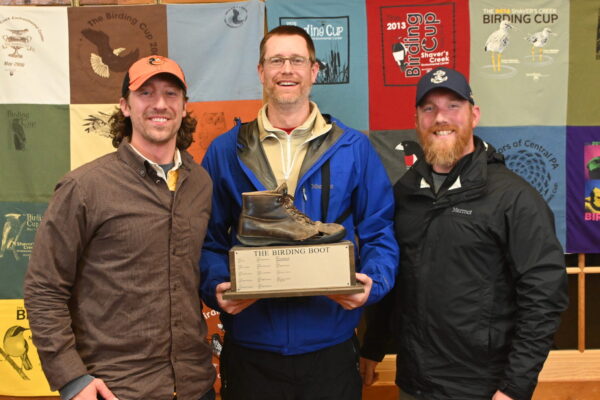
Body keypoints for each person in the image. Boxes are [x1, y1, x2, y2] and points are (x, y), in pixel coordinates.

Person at [200, 25, 399, 400]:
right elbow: (206, 238)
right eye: (276, 60)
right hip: (251, 348)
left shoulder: (353, 147)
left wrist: (374, 282)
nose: (286, 69)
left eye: (296, 60)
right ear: (261, 72)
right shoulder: (226, 150)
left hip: (331, 347)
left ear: (314, 71)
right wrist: (215, 287)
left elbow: (379, 230)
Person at [360, 67, 568, 400]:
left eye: (453, 106)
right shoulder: (405, 193)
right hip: (413, 384)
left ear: (474, 114)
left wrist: (515, 386)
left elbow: (544, 296)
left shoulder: (513, 198)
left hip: (482, 389)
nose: (441, 117)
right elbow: (396, 277)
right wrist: (374, 346)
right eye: (429, 108)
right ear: (417, 120)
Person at [24, 55, 216, 400]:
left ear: (185, 107)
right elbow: (44, 289)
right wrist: (71, 378)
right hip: (117, 390)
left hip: (194, 386)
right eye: (146, 93)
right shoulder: (84, 188)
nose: (160, 104)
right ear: (125, 105)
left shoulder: (200, 183)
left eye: (172, 94)